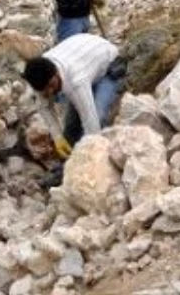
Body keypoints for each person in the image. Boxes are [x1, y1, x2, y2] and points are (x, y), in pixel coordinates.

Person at [22, 33, 125, 186]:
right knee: (71, 126)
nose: (50, 93)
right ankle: (65, 167)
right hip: (83, 56)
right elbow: (44, 106)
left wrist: (90, 158)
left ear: (56, 74)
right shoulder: (39, 74)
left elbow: (91, 123)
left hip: (107, 66)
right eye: (45, 90)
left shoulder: (76, 79)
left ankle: (88, 168)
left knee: (98, 114)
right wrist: (57, 137)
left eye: (51, 86)